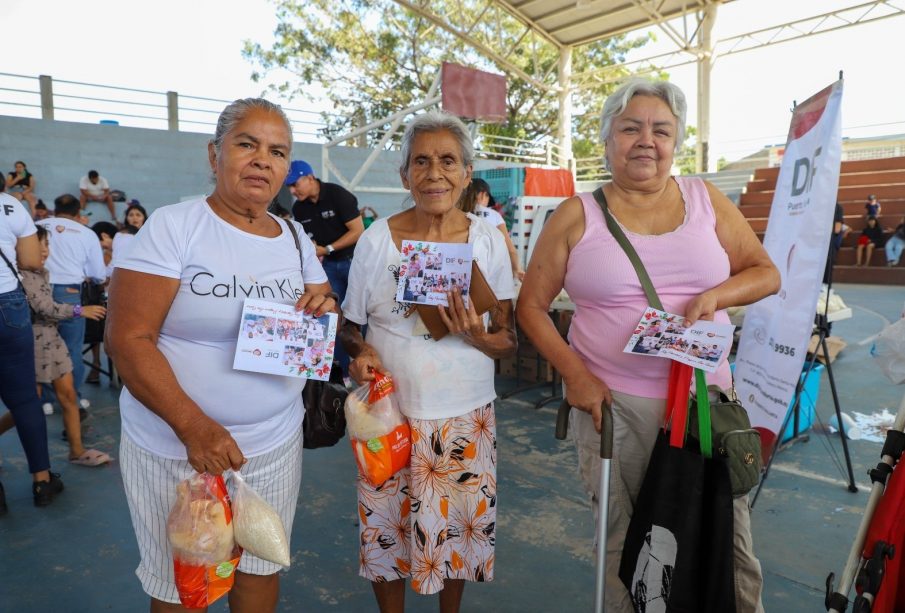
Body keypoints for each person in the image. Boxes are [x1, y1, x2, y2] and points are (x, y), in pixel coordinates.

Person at [516, 77, 780, 612]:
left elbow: (765, 272)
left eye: (661, 130)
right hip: (615, 410)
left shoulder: (706, 200)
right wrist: (576, 374)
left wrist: (716, 294)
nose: (646, 140)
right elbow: (531, 307)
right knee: (629, 546)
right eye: (630, 127)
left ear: (675, 141)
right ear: (607, 139)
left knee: (726, 543)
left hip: (705, 406)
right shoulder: (576, 214)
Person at [105, 98, 336, 613]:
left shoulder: (295, 237)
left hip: (273, 443)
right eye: (246, 144)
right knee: (184, 584)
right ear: (215, 155)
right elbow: (128, 339)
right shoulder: (174, 227)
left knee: (259, 566)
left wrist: (322, 305)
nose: (262, 160)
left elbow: (323, 303)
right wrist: (193, 427)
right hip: (177, 449)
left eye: (277, 151)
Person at [338, 110, 517, 612]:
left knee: (455, 538)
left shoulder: (485, 239)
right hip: (389, 413)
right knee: (386, 533)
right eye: (421, 161)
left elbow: (510, 339)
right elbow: (350, 324)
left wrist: (476, 336)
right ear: (404, 176)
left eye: (447, 161)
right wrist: (361, 351)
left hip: (465, 415)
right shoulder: (377, 240)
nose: (434, 172)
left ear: (465, 173)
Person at [8, 225, 111, 465]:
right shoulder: (21, 277)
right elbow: (44, 307)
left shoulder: (39, 273)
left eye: (45, 245)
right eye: (40, 245)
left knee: (68, 397)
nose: (45, 251)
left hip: (52, 341)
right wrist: (79, 310)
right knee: (27, 405)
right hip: (33, 344)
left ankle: (76, 450)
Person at [0, 191, 64, 510]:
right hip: (7, 305)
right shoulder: (12, 206)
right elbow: (28, 261)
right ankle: (42, 481)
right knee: (25, 399)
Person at [286, 158, 363, 373]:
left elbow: (358, 231)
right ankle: (341, 370)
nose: (292, 190)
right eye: (289, 186)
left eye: (295, 184)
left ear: (310, 177)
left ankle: (365, 364)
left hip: (352, 263)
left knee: (357, 317)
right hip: (327, 265)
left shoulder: (337, 194)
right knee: (329, 318)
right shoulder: (299, 209)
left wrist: (327, 248)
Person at [35, 194, 107, 413]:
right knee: (72, 348)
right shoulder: (86, 233)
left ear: (54, 209)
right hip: (70, 293)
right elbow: (98, 274)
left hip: (39, 291)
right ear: (78, 212)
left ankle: (46, 400)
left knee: (42, 346)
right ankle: (72, 397)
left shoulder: (35, 226)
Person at [458, 178, 525, 281]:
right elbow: (510, 249)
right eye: (488, 196)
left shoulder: (458, 214)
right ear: (482, 194)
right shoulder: (494, 216)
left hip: (461, 270)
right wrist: (517, 269)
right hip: (491, 274)